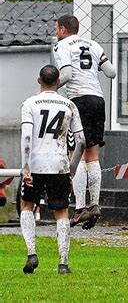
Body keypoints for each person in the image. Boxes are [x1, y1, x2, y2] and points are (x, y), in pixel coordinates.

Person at [20, 65, 86, 274]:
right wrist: (72, 167)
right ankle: (63, 262)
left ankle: (32, 253)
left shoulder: (29, 103)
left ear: (39, 80)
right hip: (59, 164)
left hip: (36, 163)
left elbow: (27, 137)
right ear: (58, 82)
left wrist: (26, 167)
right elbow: (81, 141)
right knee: (61, 211)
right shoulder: (69, 105)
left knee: (27, 205)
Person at [54, 14, 116, 229]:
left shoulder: (61, 45)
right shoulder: (94, 44)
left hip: (78, 100)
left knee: (76, 154)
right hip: (98, 100)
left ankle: (80, 208)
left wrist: (52, 86)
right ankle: (95, 203)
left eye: (56, 29)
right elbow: (111, 72)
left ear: (62, 29)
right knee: (93, 155)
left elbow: (68, 74)